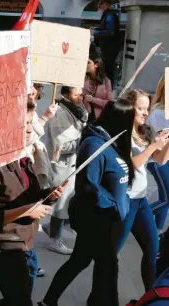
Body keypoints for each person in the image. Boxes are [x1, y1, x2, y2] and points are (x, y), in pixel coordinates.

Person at [40, 99, 136, 306]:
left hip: (105, 217)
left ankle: (49, 301)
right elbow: (88, 185)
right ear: (121, 121)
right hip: (95, 217)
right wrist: (112, 204)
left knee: (81, 261)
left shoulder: (114, 139)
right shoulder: (94, 144)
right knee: (108, 266)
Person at [0, 101, 65, 306]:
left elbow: (31, 195)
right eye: (24, 123)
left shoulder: (23, 156)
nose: (29, 128)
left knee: (18, 299)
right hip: (4, 245)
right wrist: (27, 210)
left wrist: (50, 194)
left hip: (25, 241)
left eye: (30, 122)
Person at [117, 89, 169, 292]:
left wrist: (165, 143)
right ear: (129, 107)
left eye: (146, 108)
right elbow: (131, 164)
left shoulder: (142, 131)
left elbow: (160, 159)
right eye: (140, 108)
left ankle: (150, 294)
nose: (145, 113)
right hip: (125, 200)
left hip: (140, 200)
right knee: (110, 254)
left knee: (152, 249)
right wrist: (152, 146)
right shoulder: (121, 132)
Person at [41, 86, 89, 255]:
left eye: (81, 93)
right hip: (62, 164)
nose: (80, 97)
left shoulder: (78, 108)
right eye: (76, 94)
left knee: (67, 203)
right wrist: (84, 139)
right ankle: (55, 239)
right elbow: (60, 145)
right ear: (65, 94)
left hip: (74, 163)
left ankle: (51, 228)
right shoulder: (59, 113)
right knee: (60, 204)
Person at [146, 75, 169, 236]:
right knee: (167, 199)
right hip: (157, 160)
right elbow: (161, 140)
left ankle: (157, 229)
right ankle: (137, 217)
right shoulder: (159, 113)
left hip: (164, 159)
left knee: (165, 196)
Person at [91, 0, 120, 87]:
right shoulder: (108, 14)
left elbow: (110, 32)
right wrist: (96, 29)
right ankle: (107, 88)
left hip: (110, 47)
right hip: (108, 46)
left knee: (108, 69)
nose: (98, 6)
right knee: (107, 68)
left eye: (100, 4)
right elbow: (106, 28)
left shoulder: (110, 15)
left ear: (106, 5)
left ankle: (108, 89)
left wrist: (95, 32)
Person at [84, 54, 113, 121]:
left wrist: (93, 99)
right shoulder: (83, 78)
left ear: (96, 65)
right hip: (84, 114)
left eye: (88, 62)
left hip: (99, 117)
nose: (86, 64)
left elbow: (109, 103)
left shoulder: (106, 82)